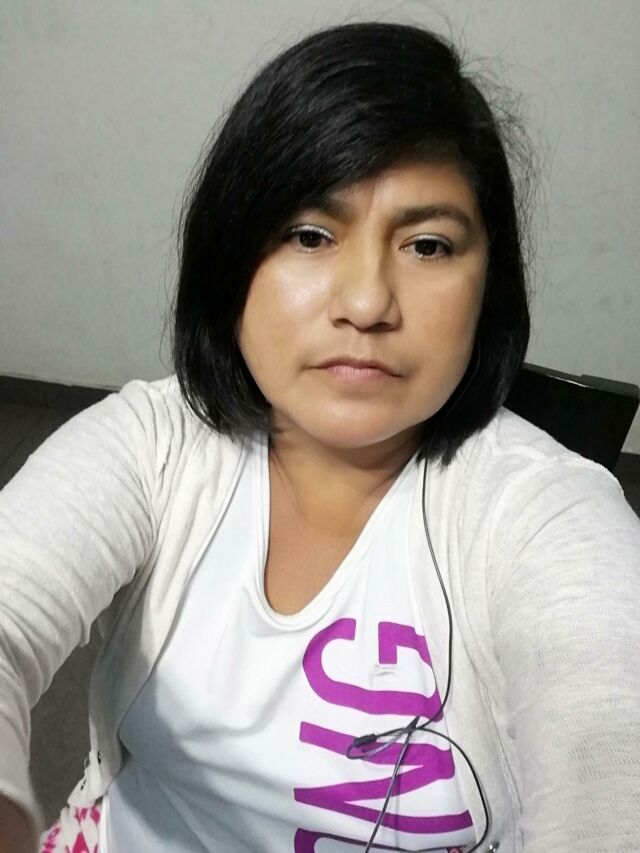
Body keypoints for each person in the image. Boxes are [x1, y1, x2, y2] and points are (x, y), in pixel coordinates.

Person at [1, 19, 638, 853]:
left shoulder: (544, 512)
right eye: (310, 235)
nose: (367, 302)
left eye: (428, 244)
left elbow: (609, 754)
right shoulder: (153, 448)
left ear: (489, 284)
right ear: (231, 257)